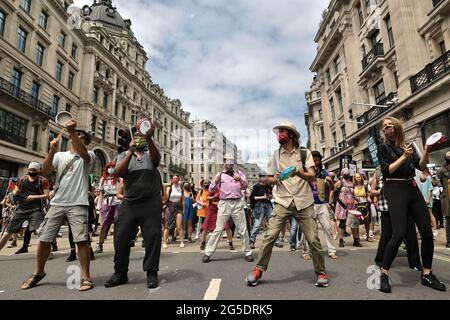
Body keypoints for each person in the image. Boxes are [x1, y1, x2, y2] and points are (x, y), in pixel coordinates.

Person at [246, 122, 329, 287]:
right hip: (283, 200)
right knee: (270, 236)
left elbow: (312, 176)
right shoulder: (276, 155)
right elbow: (267, 179)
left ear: (291, 134)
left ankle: (321, 272)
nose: (279, 135)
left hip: (304, 201)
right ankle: (258, 269)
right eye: (278, 132)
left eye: (282, 132)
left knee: (313, 239)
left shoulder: (305, 153)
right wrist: (275, 178)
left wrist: (299, 172)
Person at [21, 120, 95, 292]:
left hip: (78, 203)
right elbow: (44, 171)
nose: (78, 138)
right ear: (69, 139)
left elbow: (83, 154)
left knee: (81, 240)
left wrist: (73, 132)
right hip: (57, 203)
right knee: (44, 238)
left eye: (82, 136)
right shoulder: (60, 155)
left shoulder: (88, 154)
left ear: (84, 140)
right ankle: (39, 272)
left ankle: (86, 276)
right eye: (76, 135)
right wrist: (52, 151)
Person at [376, 116, 446, 293]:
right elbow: (386, 170)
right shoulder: (383, 147)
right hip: (394, 187)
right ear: (383, 131)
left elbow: (421, 166)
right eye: (385, 126)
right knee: (398, 233)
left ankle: (427, 274)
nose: (388, 128)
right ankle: (384, 273)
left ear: (398, 127)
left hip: (411, 188)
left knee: (427, 233)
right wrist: (403, 156)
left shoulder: (407, 145)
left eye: (391, 125)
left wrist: (426, 150)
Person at [104, 121, 162, 289]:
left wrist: (149, 139)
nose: (139, 140)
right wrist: (129, 150)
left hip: (150, 204)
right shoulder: (122, 156)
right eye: (136, 138)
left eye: (141, 138)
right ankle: (120, 273)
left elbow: (156, 160)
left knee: (152, 238)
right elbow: (120, 172)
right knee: (121, 238)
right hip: (129, 204)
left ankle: (151, 272)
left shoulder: (149, 154)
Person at [202, 154, 253, 263]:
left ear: (233, 162)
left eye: (231, 161)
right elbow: (211, 189)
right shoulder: (220, 175)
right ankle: (208, 252)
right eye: (227, 161)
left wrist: (240, 180)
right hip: (224, 203)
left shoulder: (240, 174)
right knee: (218, 229)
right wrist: (215, 182)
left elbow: (245, 186)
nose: (229, 163)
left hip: (237, 203)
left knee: (242, 229)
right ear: (224, 161)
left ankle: (248, 252)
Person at [371, 167, 422, 270]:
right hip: (387, 208)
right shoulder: (378, 172)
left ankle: (415, 263)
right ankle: (380, 260)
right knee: (386, 235)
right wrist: (380, 191)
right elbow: (372, 191)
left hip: (404, 207)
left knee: (410, 234)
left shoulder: (402, 167)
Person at [0, 162, 50, 254]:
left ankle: (47, 253)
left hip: (35, 210)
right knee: (8, 232)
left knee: (40, 232)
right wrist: (15, 192)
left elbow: (47, 195)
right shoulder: (21, 179)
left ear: (38, 170)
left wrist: (34, 197)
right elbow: (15, 190)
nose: (32, 172)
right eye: (30, 170)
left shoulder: (43, 181)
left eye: (34, 170)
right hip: (20, 209)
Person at [307, 151, 338, 259]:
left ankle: (331, 251)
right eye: (313, 160)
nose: (315, 162)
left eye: (317, 160)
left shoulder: (323, 172)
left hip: (321, 204)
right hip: (309, 204)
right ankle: (306, 251)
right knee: (309, 230)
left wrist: (329, 181)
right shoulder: (307, 172)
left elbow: (332, 188)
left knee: (328, 227)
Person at [95, 162, 122, 253]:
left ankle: (119, 245)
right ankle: (100, 244)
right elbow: (101, 193)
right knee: (103, 225)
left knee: (119, 226)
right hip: (106, 203)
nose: (111, 169)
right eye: (109, 167)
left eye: (112, 167)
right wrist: (100, 205)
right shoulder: (103, 179)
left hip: (118, 203)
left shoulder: (119, 179)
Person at [334, 168, 360, 247]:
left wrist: (357, 199)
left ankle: (356, 240)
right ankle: (341, 240)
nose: (347, 173)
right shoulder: (339, 182)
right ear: (342, 174)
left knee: (353, 223)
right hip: (342, 206)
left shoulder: (352, 183)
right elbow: (332, 191)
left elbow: (353, 194)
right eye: (345, 172)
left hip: (351, 206)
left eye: (348, 172)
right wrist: (330, 201)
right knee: (342, 223)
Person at [249, 173, 273, 249]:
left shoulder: (269, 186)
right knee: (257, 224)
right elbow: (252, 197)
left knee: (273, 223)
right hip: (259, 206)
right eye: (263, 177)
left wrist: (269, 196)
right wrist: (262, 197)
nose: (265, 178)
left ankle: (276, 240)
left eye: (265, 176)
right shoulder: (256, 186)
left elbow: (270, 194)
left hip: (268, 205)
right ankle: (252, 241)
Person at [163, 176, 185, 248]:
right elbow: (165, 198)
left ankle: (182, 242)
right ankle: (164, 242)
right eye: (174, 178)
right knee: (168, 225)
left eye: (176, 178)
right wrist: (165, 190)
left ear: (178, 179)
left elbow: (183, 200)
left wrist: (183, 209)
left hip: (178, 207)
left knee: (179, 225)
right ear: (172, 180)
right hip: (170, 206)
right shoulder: (170, 188)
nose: (175, 179)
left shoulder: (181, 189)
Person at [353, 172, 373, 243]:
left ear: (361, 177)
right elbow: (352, 196)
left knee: (367, 221)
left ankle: (368, 236)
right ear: (354, 178)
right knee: (357, 222)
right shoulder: (353, 186)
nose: (358, 178)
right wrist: (354, 201)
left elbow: (368, 195)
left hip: (365, 205)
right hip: (357, 205)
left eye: (359, 177)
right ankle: (357, 237)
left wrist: (369, 199)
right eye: (356, 177)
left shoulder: (365, 185)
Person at [437, 151, 450, 248]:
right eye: (448, 155)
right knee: (448, 219)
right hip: (447, 197)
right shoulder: (442, 170)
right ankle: (449, 241)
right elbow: (436, 181)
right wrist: (440, 186)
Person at [419, 169, 438, 238]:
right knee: (422, 216)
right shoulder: (419, 177)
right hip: (420, 199)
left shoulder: (429, 178)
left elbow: (430, 189)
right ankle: (423, 231)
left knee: (430, 214)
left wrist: (428, 199)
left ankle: (435, 230)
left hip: (427, 199)